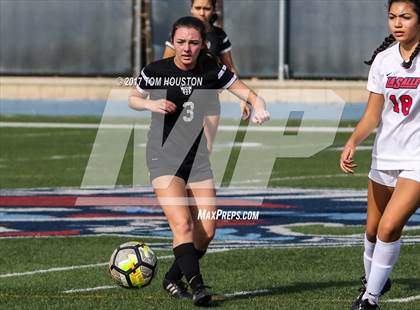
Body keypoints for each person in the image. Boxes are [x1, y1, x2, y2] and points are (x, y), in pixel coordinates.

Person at [128, 16, 269, 306]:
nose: (186, 48)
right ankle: (198, 287)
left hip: (197, 157)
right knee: (182, 224)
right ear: (172, 43)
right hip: (163, 156)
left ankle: (172, 278)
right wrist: (149, 103)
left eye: (193, 43)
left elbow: (248, 93)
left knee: (206, 230)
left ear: (202, 44)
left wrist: (259, 106)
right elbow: (132, 97)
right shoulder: (156, 70)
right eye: (181, 42)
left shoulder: (211, 70)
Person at [340, 1, 420, 309]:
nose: (398, 23)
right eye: (392, 17)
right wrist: (352, 141)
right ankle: (377, 280)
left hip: (415, 161)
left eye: (406, 17)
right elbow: (373, 114)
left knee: (389, 228)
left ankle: (370, 299)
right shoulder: (383, 61)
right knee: (372, 231)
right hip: (384, 156)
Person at [163, 0, 250, 151]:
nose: (202, 12)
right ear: (191, 8)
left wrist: (242, 98)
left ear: (213, 10)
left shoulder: (219, 36)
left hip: (209, 99)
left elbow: (230, 69)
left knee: (205, 150)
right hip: (182, 98)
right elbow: (165, 67)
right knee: (178, 152)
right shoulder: (180, 33)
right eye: (198, 8)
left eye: (206, 8)